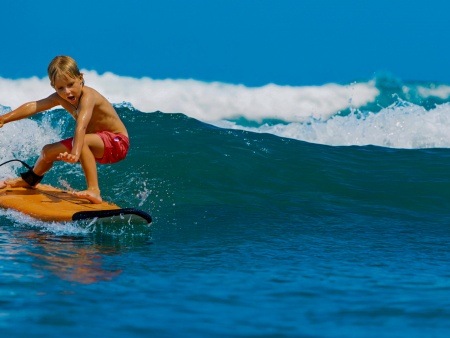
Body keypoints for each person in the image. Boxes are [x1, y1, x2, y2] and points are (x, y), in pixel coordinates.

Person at [0, 56, 129, 204]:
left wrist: (75, 152)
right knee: (47, 152)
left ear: (80, 78)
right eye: (60, 88)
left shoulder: (89, 96)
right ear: (53, 86)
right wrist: (4, 118)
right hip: (96, 144)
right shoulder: (59, 98)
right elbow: (34, 106)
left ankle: (94, 190)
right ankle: (30, 180)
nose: (67, 92)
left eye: (71, 84)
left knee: (82, 140)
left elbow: (82, 125)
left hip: (118, 143)